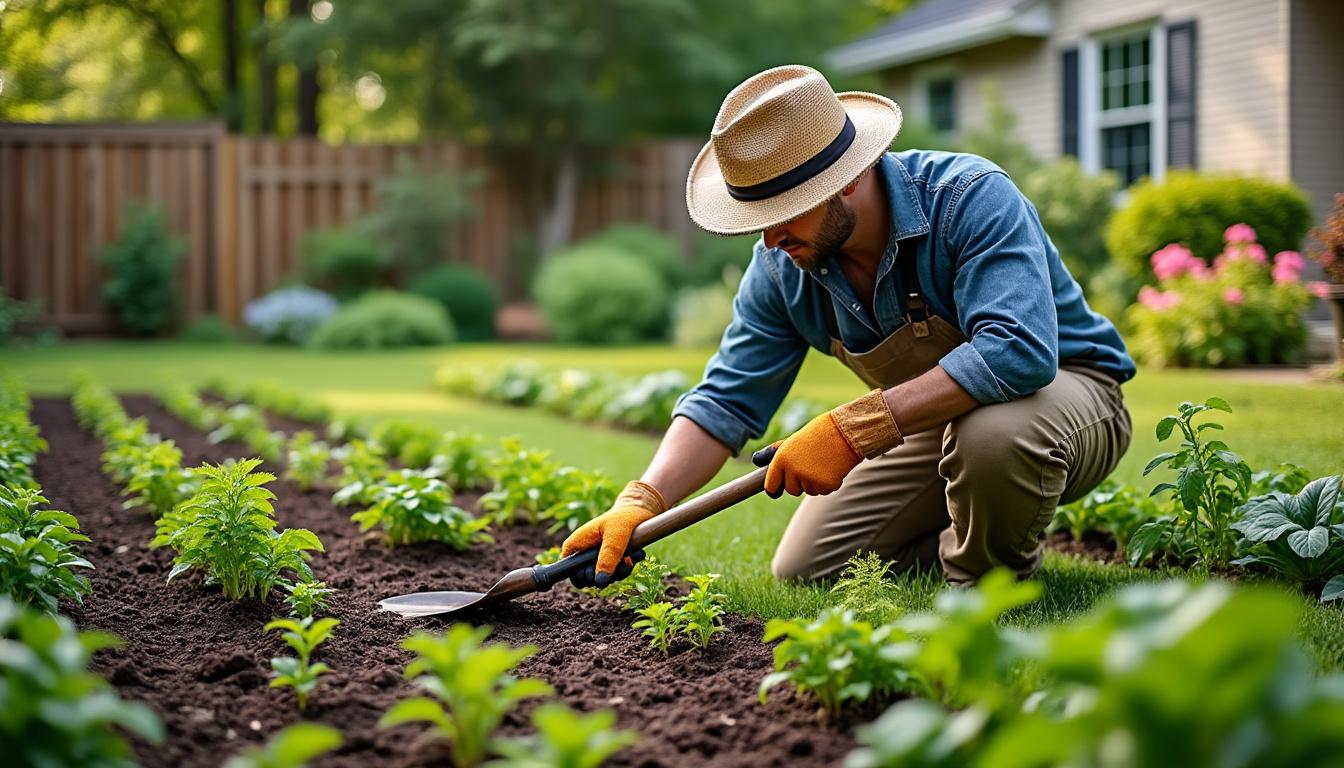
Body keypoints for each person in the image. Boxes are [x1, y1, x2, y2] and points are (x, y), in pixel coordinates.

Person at [561, 64, 1135, 588]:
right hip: (936, 421)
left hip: (1065, 393)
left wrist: (853, 429)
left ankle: (986, 589)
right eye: (756, 221)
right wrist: (642, 499)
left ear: (844, 178)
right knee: (810, 568)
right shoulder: (783, 267)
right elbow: (726, 400)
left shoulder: (967, 198)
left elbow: (1017, 353)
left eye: (782, 213)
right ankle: (970, 532)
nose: (769, 240)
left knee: (992, 438)